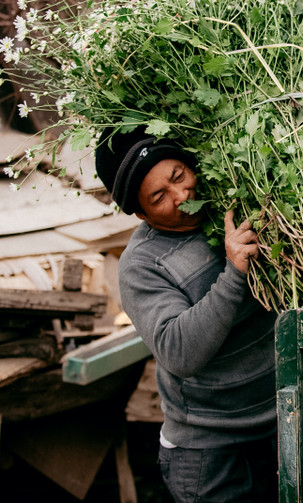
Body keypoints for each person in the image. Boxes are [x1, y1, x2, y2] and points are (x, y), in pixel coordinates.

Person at [94, 127, 278, 503]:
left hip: (283, 425)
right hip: (210, 453)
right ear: (141, 213)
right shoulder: (141, 265)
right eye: (159, 196)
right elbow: (180, 353)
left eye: (178, 176)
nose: (181, 195)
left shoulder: (234, 205)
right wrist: (233, 273)